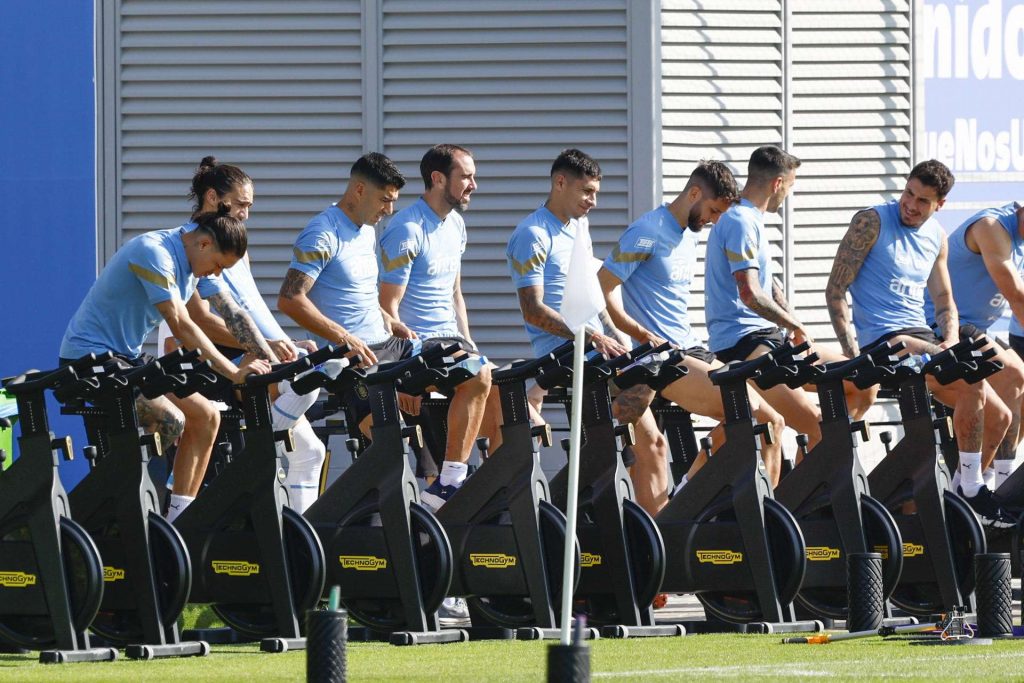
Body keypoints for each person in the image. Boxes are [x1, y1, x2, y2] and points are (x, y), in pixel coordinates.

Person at [825, 159, 1013, 526]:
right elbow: (835, 291)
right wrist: (854, 355)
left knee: (1001, 416)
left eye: (923, 201)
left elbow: (944, 301)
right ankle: (972, 492)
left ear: (939, 205)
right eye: (908, 193)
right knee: (971, 381)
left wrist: (952, 340)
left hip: (922, 338)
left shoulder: (936, 237)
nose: (910, 205)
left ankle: (961, 494)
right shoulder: (871, 222)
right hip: (885, 341)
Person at [59, 211, 272, 522]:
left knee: (206, 416)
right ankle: (140, 515)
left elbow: (232, 314)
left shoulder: (196, 264)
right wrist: (234, 372)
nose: (215, 274)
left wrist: (272, 356)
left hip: (125, 361)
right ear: (203, 243)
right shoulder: (154, 253)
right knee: (170, 420)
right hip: (88, 361)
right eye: (218, 265)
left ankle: (178, 521)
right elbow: (181, 325)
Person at [597, 160, 787, 494]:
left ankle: (760, 516)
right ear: (694, 192)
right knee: (752, 416)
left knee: (772, 422)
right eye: (713, 211)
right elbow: (603, 289)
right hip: (661, 356)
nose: (714, 221)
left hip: (690, 346)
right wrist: (636, 338)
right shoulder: (647, 232)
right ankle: (689, 496)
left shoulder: (689, 236)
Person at [506, 148, 669, 515]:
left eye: (596, 192)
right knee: (642, 410)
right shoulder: (532, 233)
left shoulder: (579, 227)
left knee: (652, 444)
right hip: (566, 352)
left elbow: (594, 298)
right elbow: (533, 310)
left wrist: (619, 338)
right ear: (560, 183)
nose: (593, 201)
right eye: (586, 192)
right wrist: (589, 337)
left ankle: (653, 536)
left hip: (596, 348)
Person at [167, 157, 326, 512]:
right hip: (220, 365)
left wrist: (284, 341)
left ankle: (297, 545)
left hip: (251, 351)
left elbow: (248, 310)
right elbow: (200, 321)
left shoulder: (237, 245)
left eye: (249, 207)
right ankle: (261, 446)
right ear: (212, 197)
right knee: (308, 378)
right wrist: (263, 347)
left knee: (311, 453)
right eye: (240, 205)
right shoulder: (191, 246)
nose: (245, 214)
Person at [704, 145, 875, 454]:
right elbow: (750, 293)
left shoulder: (752, 219)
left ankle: (812, 473)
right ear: (777, 184)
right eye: (790, 187)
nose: (787, 197)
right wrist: (792, 322)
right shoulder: (739, 222)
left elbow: (770, 288)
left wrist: (795, 326)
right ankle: (805, 491)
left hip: (770, 339)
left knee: (864, 382)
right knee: (823, 427)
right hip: (744, 345)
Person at [377, 144, 494, 503]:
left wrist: (470, 346)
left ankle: (492, 490)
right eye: (467, 177)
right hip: (418, 345)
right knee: (479, 378)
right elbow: (385, 306)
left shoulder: (456, 224)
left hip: (449, 340)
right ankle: (449, 481)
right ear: (438, 179)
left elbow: (456, 293)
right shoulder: (407, 229)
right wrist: (401, 374)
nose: (474, 184)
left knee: (506, 391)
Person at [920, 202, 1024, 494]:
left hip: (977, 331)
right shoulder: (992, 227)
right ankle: (980, 490)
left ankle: (994, 481)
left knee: (1013, 396)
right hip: (944, 327)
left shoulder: (1019, 239)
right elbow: (1017, 299)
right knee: (1015, 372)